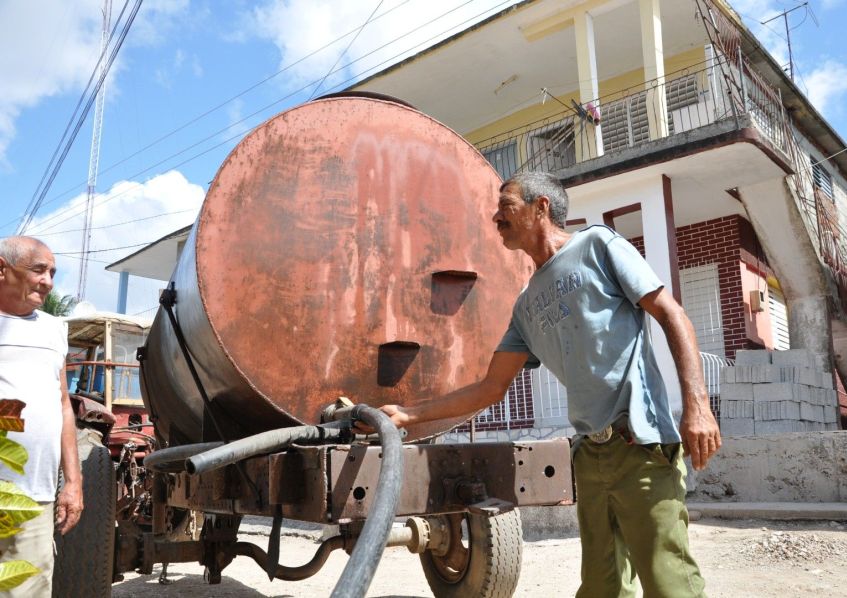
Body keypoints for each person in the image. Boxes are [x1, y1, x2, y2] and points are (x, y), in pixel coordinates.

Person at [378, 172, 721, 597]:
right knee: (600, 588)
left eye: (506, 205)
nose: (494, 216)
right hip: (590, 457)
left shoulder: (598, 246)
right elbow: (490, 388)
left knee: (668, 582)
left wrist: (697, 405)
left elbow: (671, 315)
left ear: (541, 207)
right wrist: (409, 414)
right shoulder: (524, 306)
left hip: (641, 445)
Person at [0, 236, 83, 596]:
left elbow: (63, 404)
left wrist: (73, 483)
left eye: (52, 272)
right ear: (3, 270)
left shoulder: (54, 329)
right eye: (38, 270)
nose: (48, 281)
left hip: (33, 497)